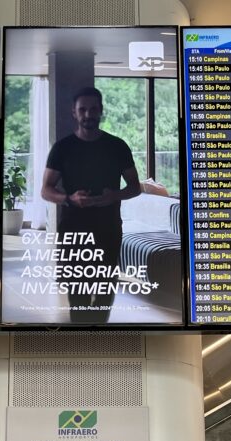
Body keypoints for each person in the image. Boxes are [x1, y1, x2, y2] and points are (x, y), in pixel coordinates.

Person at [41, 86, 142, 324]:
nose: (88, 114)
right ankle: (82, 334)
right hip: (73, 229)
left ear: (101, 111)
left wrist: (113, 196)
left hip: (108, 228)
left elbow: (135, 187)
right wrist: (69, 199)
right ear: (74, 113)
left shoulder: (117, 146)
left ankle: (98, 332)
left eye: (93, 109)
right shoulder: (62, 148)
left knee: (105, 288)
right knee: (78, 291)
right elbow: (46, 190)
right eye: (83, 110)